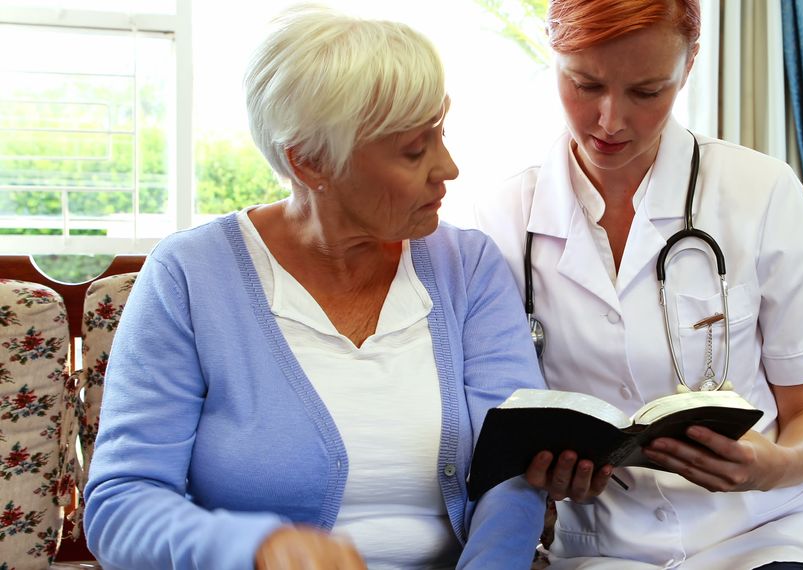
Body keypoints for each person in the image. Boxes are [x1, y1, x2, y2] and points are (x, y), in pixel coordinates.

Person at [83, 5, 545, 569]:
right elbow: (121, 503)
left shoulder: (468, 267)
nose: (447, 168)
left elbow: (514, 469)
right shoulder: (188, 276)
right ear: (309, 163)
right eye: (413, 149)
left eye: (440, 135)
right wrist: (254, 549)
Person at [474, 0, 803, 568]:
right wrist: (544, 483)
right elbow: (492, 431)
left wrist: (771, 468)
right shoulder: (502, 218)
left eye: (647, 92)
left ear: (687, 69)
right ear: (553, 55)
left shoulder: (759, 192)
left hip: (770, 531)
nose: (610, 120)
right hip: (605, 549)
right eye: (585, 84)